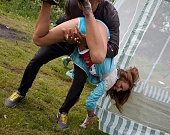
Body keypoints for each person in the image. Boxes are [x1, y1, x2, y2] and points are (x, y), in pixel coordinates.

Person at [5, 0, 120, 129]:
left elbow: (113, 49)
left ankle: (63, 111)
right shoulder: (72, 3)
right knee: (38, 54)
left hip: (88, 45)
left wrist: (86, 41)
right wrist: (70, 41)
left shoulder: (109, 13)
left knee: (80, 79)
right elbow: (60, 27)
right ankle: (21, 92)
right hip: (71, 38)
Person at [32, 0, 139, 129]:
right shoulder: (111, 78)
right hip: (98, 29)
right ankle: (89, 13)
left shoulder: (106, 72)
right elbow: (91, 100)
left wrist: (79, 43)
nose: (117, 89)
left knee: (39, 39)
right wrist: (90, 116)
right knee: (98, 57)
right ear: (122, 77)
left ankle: (47, 3)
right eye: (121, 86)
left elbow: (87, 64)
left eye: (120, 91)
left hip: (83, 25)